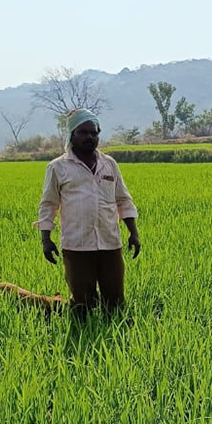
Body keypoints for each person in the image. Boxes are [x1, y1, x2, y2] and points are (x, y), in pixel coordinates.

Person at [35, 108, 140, 319]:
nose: (89, 137)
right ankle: (83, 341)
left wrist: (133, 233)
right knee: (83, 305)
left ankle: (116, 343)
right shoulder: (58, 168)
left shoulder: (109, 164)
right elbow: (48, 205)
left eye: (94, 133)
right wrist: (46, 240)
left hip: (110, 244)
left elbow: (123, 200)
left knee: (115, 303)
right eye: (83, 132)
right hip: (77, 247)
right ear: (72, 134)